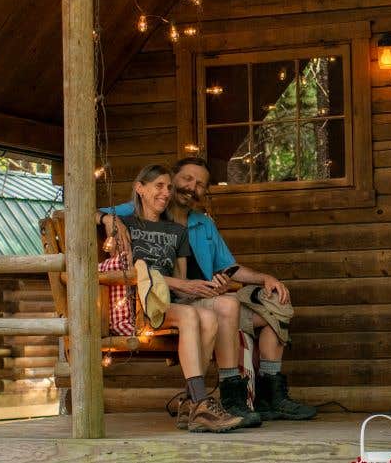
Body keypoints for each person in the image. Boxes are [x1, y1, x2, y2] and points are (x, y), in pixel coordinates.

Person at [111, 156, 317, 422]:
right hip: (183, 301)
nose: (191, 187)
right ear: (172, 180)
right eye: (186, 179)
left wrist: (263, 277)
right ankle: (229, 397)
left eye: (199, 184)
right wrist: (109, 221)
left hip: (207, 295)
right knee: (227, 306)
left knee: (276, 304)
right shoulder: (139, 210)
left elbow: (228, 268)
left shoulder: (201, 224)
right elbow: (102, 214)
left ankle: (269, 396)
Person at [101, 164, 245, 433]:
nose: (166, 193)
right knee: (191, 314)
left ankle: (192, 405)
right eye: (159, 186)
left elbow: (180, 284)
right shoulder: (126, 225)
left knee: (208, 314)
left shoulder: (178, 233)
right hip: (136, 303)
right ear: (140, 188)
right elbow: (131, 272)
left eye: (168, 187)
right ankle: (201, 401)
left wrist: (201, 288)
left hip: (167, 301)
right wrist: (107, 219)